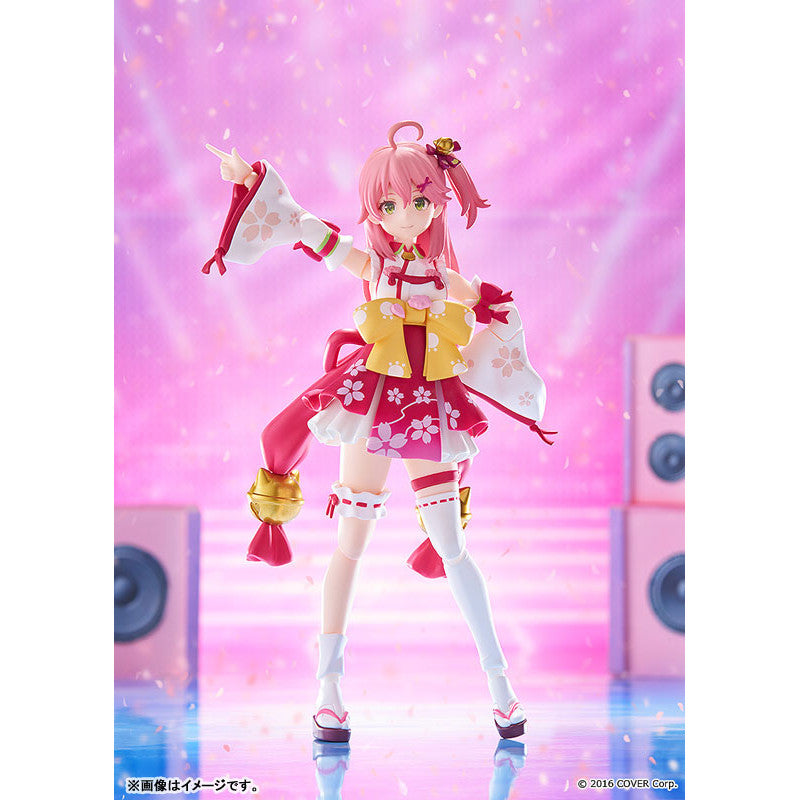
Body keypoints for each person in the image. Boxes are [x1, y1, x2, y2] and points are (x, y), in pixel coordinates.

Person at [204, 121, 555, 742]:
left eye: (418, 201)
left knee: (452, 545)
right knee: (352, 543)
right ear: (375, 211)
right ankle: (328, 690)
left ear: (438, 202)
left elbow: (496, 308)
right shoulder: (373, 264)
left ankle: (501, 688)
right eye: (388, 205)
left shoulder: (447, 280)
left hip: (427, 403)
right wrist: (252, 182)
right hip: (372, 403)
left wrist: (490, 324)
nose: (405, 215)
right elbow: (310, 230)